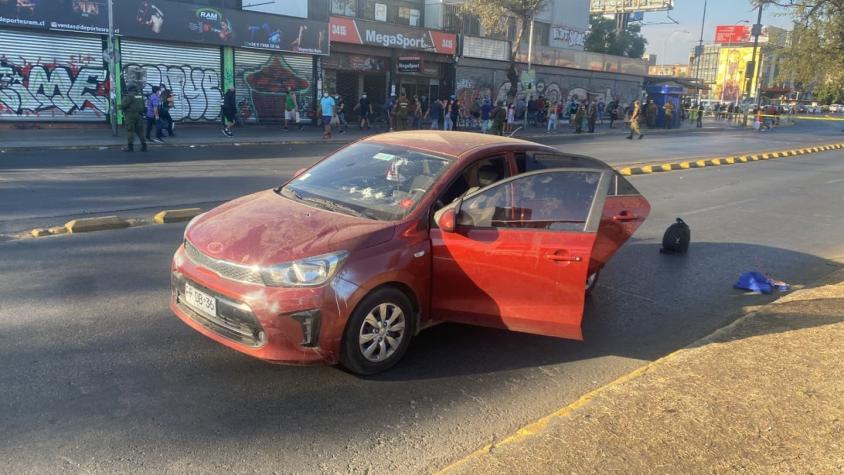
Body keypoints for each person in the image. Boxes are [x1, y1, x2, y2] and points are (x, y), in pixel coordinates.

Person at [120, 86, 147, 152]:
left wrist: (119, 107)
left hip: (130, 115)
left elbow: (123, 105)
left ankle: (130, 147)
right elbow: (143, 106)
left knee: (130, 130)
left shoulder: (129, 96)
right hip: (139, 115)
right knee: (140, 131)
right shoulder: (140, 96)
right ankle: (144, 145)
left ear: (129, 90)